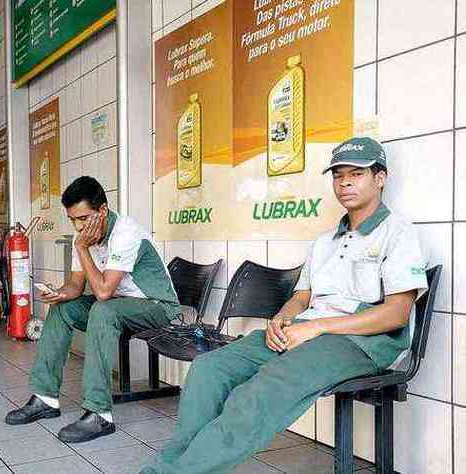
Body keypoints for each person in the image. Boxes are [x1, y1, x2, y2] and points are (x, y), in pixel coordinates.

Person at [142, 137, 429, 473]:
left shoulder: (398, 233)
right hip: (305, 332)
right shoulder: (324, 242)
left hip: (359, 343)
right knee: (210, 369)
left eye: (357, 174)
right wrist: (281, 321)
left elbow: (397, 313)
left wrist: (316, 327)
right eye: (338, 176)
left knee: (261, 389)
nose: (345, 182)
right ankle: (177, 465)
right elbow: (301, 297)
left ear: (379, 178)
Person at [5, 176, 180, 443]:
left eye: (84, 218)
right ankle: (45, 398)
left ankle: (99, 413)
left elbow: (103, 292)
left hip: (158, 308)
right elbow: (76, 285)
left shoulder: (125, 233)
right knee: (64, 309)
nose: (79, 226)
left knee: (103, 309)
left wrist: (81, 247)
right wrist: (59, 293)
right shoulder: (84, 237)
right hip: (120, 306)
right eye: (73, 220)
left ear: (103, 210)